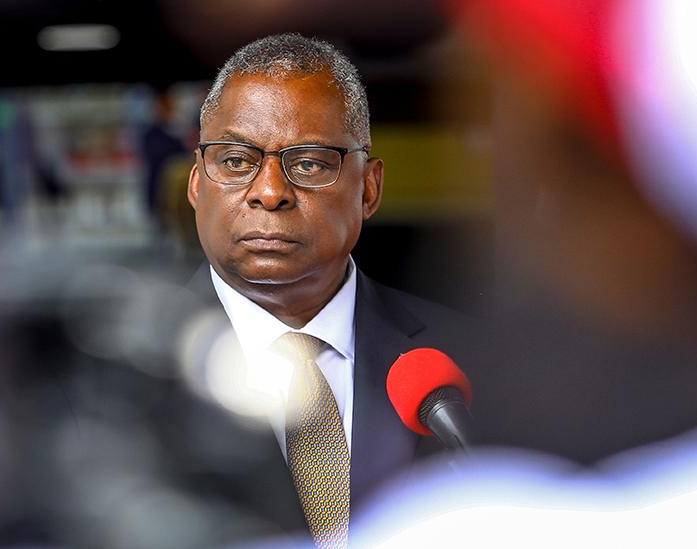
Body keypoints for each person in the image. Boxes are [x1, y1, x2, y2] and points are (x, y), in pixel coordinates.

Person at [184, 33, 482, 547]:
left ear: (369, 189)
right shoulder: (110, 377)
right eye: (235, 161)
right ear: (196, 185)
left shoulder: (475, 360)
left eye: (309, 163)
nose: (270, 192)